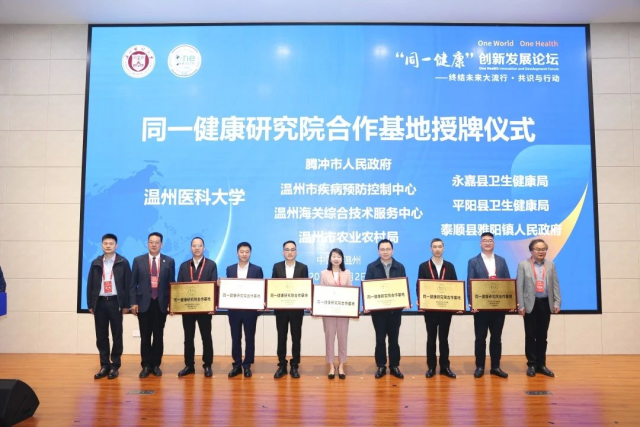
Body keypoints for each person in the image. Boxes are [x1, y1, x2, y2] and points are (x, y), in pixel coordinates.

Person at [130, 232, 176, 378]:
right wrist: (133, 302)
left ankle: (156, 365)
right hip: (143, 304)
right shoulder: (138, 260)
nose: (154, 244)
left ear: (162, 244)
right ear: (147, 243)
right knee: (145, 336)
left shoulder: (169, 261)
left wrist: (172, 304)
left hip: (161, 304)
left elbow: (172, 285)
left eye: (157, 242)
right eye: (151, 242)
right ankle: (145, 365)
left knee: (158, 336)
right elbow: (132, 284)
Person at [86, 233, 131, 380]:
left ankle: (115, 365)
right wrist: (90, 303)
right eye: (105, 243)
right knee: (101, 336)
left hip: (115, 302)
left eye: (111, 243)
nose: (108, 246)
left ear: (116, 246)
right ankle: (104, 365)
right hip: (100, 303)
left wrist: (127, 304)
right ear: (101, 245)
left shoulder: (123, 262)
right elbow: (90, 284)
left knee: (117, 335)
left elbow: (128, 284)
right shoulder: (96, 263)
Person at [467, 232, 511, 379]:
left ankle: (495, 367)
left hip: (498, 307)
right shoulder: (473, 261)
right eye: (484, 240)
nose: (487, 243)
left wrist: (510, 302)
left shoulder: (501, 261)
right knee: (480, 338)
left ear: (494, 243)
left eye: (490, 240)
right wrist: (472, 303)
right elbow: (470, 283)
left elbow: (507, 282)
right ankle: (480, 367)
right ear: (480, 243)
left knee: (496, 338)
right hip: (481, 307)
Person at [517, 239, 561, 377]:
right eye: (538, 249)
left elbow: (555, 284)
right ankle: (531, 364)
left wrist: (557, 302)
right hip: (530, 303)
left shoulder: (551, 265)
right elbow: (519, 286)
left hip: (545, 303)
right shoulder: (523, 265)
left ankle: (541, 364)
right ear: (531, 251)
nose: (541, 252)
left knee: (543, 336)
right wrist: (520, 305)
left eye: (543, 249)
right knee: (530, 336)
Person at [175, 237, 217, 378]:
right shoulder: (184, 266)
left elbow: (213, 287)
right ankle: (189, 365)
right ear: (191, 248)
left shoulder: (211, 265)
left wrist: (212, 306)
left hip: (204, 308)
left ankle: (207, 365)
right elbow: (179, 287)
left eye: (199, 246)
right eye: (194, 246)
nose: (197, 248)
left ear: (204, 248)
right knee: (188, 338)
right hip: (188, 308)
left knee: (206, 337)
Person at [417, 238, 459, 379]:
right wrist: (421, 300)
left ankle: (445, 367)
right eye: (434, 247)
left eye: (440, 246)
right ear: (431, 249)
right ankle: (431, 367)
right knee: (431, 338)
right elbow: (420, 286)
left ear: (443, 248)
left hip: (446, 310)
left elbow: (455, 287)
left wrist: (457, 304)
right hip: (430, 310)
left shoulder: (450, 266)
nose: (437, 249)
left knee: (444, 338)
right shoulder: (424, 266)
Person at [365, 239, 406, 379]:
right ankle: (381, 365)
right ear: (378, 251)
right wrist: (367, 304)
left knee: (394, 340)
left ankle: (394, 366)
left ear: (392, 251)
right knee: (380, 339)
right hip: (379, 312)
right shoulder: (372, 267)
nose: (385, 252)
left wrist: (405, 301)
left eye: (388, 249)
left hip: (395, 311)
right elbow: (368, 289)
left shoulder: (399, 267)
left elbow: (402, 287)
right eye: (382, 249)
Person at [225, 242, 264, 378]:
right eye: (242, 252)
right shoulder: (230, 269)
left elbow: (261, 289)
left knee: (249, 338)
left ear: (250, 253)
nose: (244, 254)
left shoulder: (257, 269)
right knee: (235, 338)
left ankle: (247, 365)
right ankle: (237, 365)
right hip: (234, 310)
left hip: (250, 311)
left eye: (247, 252)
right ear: (237, 253)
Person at [271, 240, 309, 379]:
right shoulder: (277, 266)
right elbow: (273, 286)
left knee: (296, 338)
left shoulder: (303, 267)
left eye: (292, 249)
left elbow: (305, 287)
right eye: (287, 249)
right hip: (281, 310)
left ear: (296, 252)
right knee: (281, 337)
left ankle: (294, 365)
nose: (290, 252)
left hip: (296, 310)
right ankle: (282, 365)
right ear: (283, 252)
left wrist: (307, 301)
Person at [319, 248, 352, 380]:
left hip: (343, 311)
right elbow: (321, 292)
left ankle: (341, 365)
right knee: (329, 339)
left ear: (342, 259)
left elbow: (350, 292)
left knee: (343, 338)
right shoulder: (324, 273)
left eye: (339, 256)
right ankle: (331, 366)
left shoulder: (347, 273)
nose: (336, 259)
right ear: (330, 258)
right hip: (328, 312)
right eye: (334, 256)